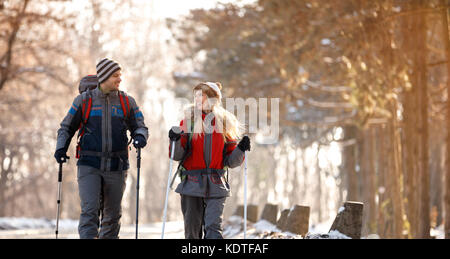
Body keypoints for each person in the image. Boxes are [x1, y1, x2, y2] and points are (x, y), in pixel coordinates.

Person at [54, 58, 148, 239]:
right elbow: (66, 127)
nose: (119, 79)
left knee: (112, 216)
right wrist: (60, 148)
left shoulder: (127, 101)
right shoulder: (84, 101)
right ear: (104, 77)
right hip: (89, 165)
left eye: (120, 75)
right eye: (115, 76)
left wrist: (140, 137)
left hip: (117, 166)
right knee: (90, 211)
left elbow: (140, 125)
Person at [168, 82, 251, 239]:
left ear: (213, 98)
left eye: (202, 94)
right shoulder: (188, 122)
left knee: (213, 228)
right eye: (196, 95)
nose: (197, 98)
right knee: (192, 231)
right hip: (191, 183)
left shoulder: (225, 124)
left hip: (216, 183)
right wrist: (175, 140)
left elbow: (231, 162)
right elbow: (176, 155)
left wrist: (241, 149)